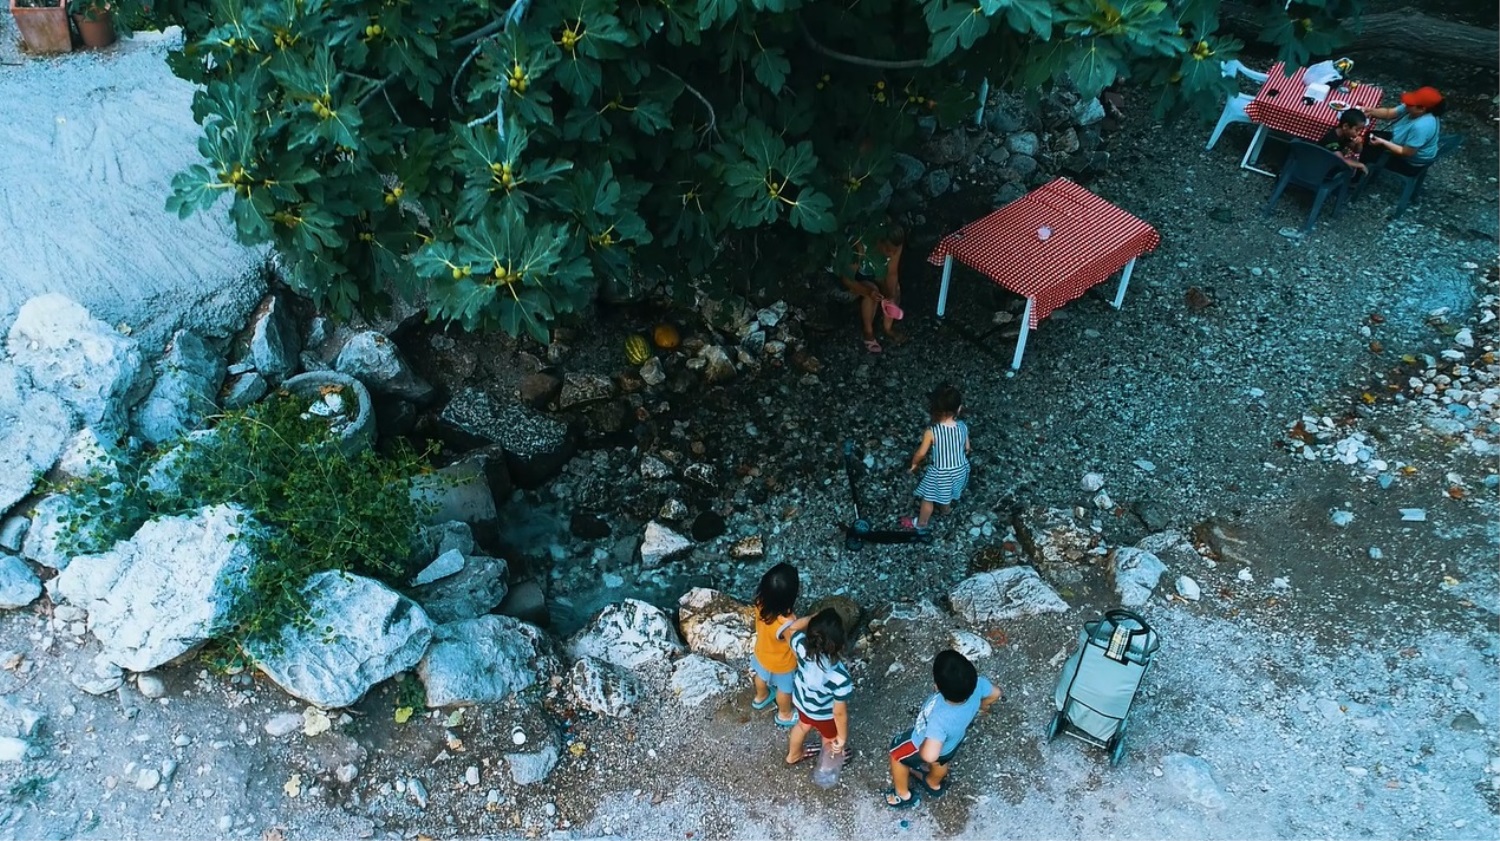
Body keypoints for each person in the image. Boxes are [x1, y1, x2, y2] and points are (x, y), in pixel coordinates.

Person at [883, 649, 1003, 809]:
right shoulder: (979, 684)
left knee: (897, 755)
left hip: (921, 742)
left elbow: (930, 755)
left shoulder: (939, 719)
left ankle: (903, 795)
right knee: (941, 762)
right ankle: (933, 784)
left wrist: (923, 748)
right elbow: (996, 693)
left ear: (937, 686)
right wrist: (982, 707)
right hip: (952, 744)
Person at [782, 609, 853, 768]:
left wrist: (812, 618)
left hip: (802, 703)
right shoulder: (840, 677)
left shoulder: (801, 648)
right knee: (830, 738)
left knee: (802, 726)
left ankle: (793, 755)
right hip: (823, 714)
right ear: (840, 644)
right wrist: (841, 739)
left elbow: (791, 628)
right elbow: (839, 713)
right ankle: (827, 767)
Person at [903, 384, 971, 532]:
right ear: (958, 409)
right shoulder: (962, 426)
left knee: (928, 498)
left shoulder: (932, 432)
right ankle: (946, 510)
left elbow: (921, 453)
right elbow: (967, 447)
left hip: (941, 473)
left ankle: (921, 523)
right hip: (961, 468)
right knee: (949, 491)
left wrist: (914, 464)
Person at [834, 221, 907, 354]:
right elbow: (847, 279)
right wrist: (868, 291)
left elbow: (892, 273)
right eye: (888, 250)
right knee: (872, 292)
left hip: (876, 271)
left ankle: (888, 328)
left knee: (894, 290)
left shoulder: (896, 244)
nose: (891, 254)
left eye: (894, 251)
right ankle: (868, 332)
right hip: (857, 274)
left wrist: (891, 295)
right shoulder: (859, 246)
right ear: (879, 241)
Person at [748, 562, 800, 727]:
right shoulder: (787, 623)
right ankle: (784, 714)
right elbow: (795, 645)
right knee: (785, 690)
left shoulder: (760, 602)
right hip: (782, 664)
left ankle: (761, 697)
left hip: (761, 653)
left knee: (760, 677)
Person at [1363, 86, 1443, 176]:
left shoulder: (1421, 126)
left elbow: (1406, 152)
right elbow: (1389, 113)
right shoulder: (1413, 108)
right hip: (1401, 141)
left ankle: (1358, 179)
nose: (1406, 104)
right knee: (1366, 136)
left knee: (1365, 151)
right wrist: (1370, 112)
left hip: (1409, 163)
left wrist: (1383, 142)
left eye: (1410, 104)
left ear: (1422, 109)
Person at [1317, 108, 1369, 175]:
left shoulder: (1344, 135)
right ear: (1345, 126)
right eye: (1356, 130)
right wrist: (1360, 165)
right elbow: (1341, 160)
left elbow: (1357, 151)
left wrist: (1359, 143)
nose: (1358, 133)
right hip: (1321, 166)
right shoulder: (1332, 140)